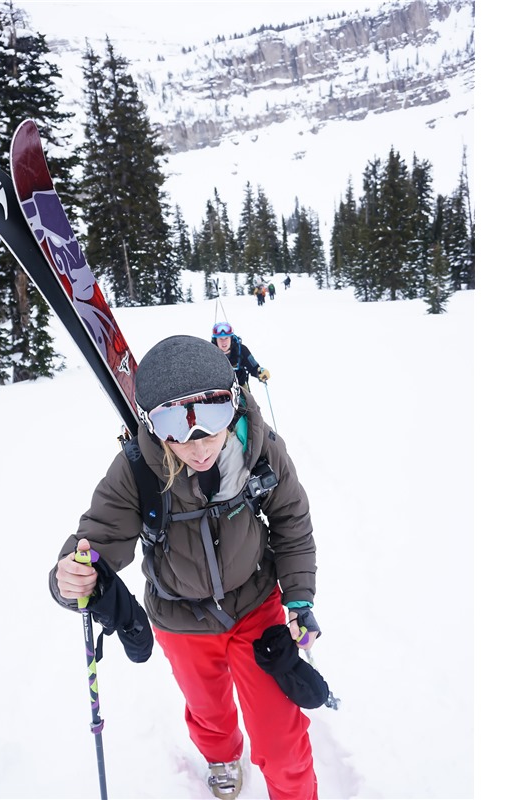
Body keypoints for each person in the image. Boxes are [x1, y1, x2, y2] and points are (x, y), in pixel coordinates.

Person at [51, 335, 320, 800]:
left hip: (256, 607)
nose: (197, 447)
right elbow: (99, 537)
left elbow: (291, 521)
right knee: (208, 711)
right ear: (150, 423)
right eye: (173, 427)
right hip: (181, 620)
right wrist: (72, 575)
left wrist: (298, 599)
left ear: (232, 404)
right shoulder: (136, 470)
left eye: (211, 422)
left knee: (282, 737)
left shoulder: (260, 449)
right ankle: (221, 756)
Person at [210, 321, 270, 390]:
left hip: (240, 387)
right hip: (218, 389)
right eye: (220, 339)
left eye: (226, 338)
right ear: (215, 340)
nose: (224, 342)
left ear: (231, 338)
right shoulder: (210, 352)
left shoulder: (241, 350)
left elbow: (254, 367)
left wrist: (260, 372)